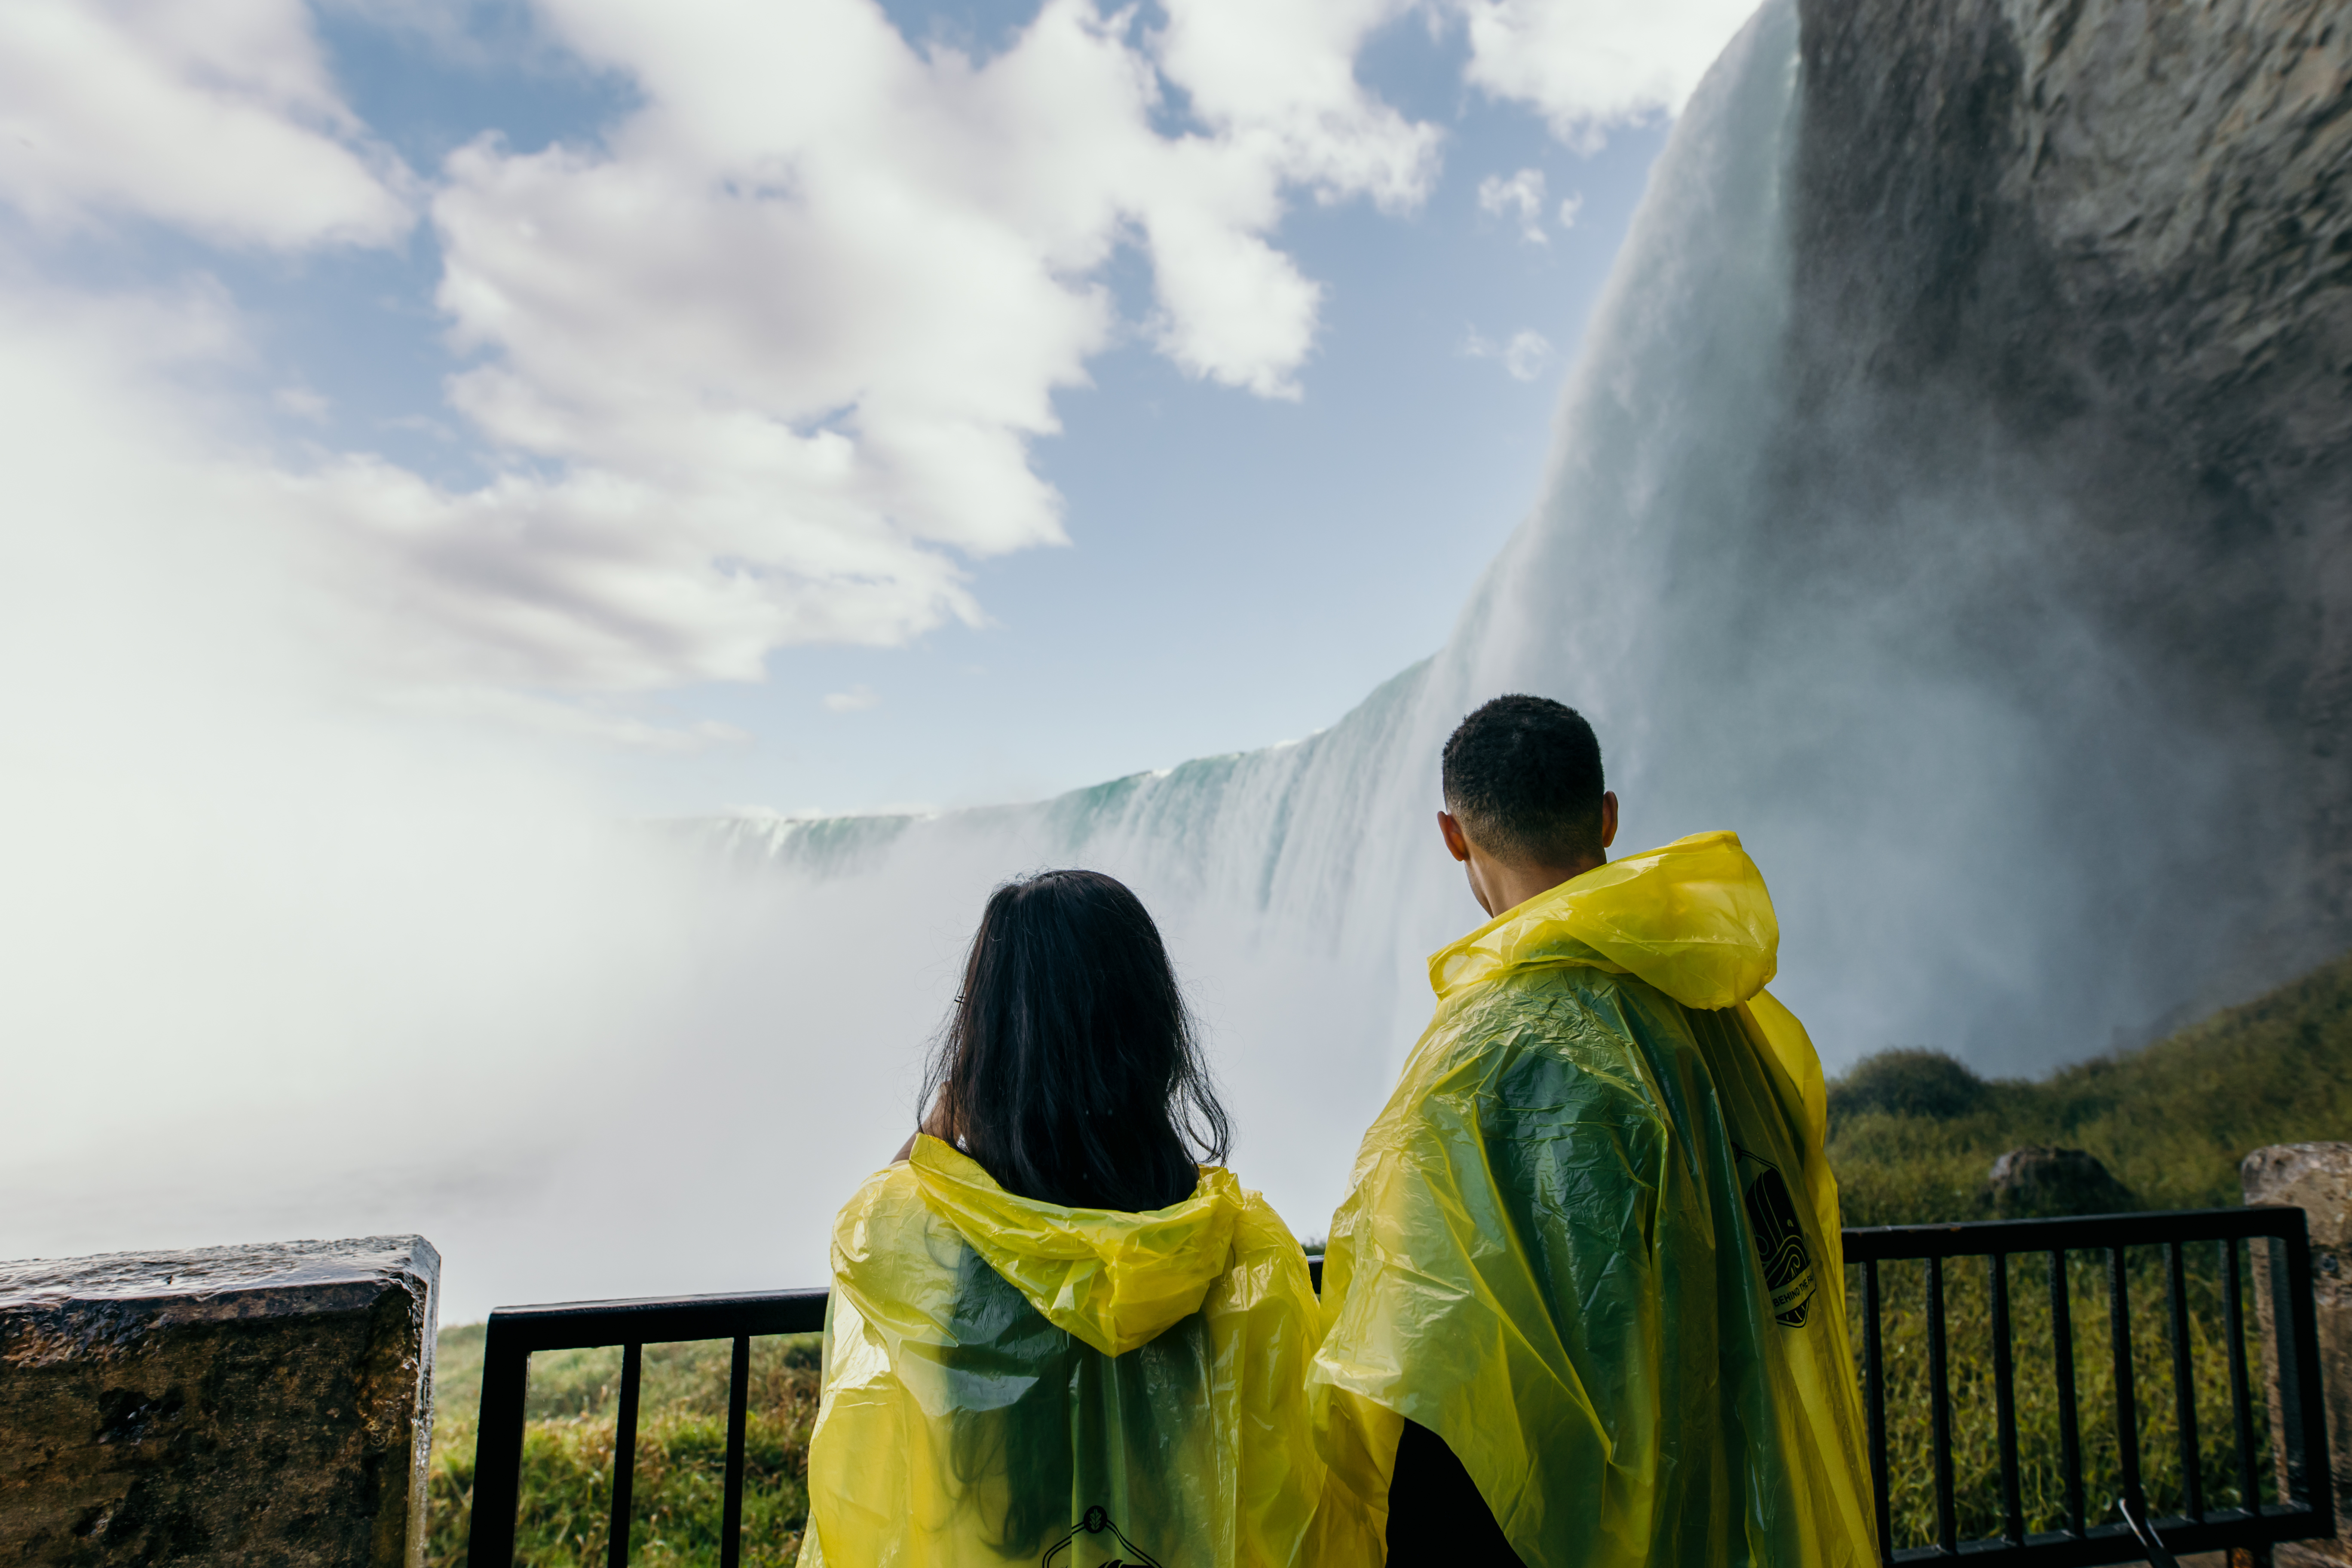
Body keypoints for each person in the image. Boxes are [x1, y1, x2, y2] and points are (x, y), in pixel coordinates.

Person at [1308, 695, 1875, 1568]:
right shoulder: (1723, 1020)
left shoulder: (1473, 1061)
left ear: (1454, 835)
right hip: (1737, 1523)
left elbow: (1422, 1366)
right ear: (1607, 816)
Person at [796, 869, 1324, 1568]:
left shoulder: (917, 1236)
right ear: (1155, 1027)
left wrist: (954, 1103)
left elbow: (871, 1231)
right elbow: (1294, 1477)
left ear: (985, 1035)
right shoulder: (1242, 1246)